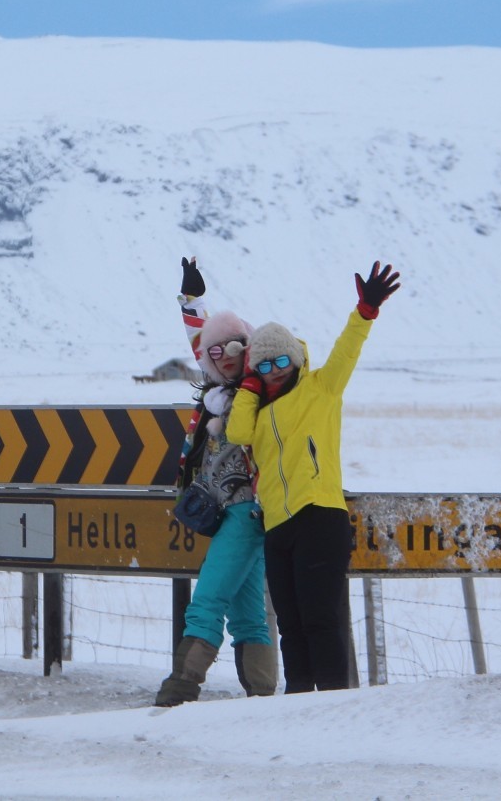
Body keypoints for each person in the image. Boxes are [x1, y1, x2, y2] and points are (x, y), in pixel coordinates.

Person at [227, 260, 401, 692]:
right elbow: (237, 432)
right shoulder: (259, 413)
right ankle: (299, 704)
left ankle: (334, 707)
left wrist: (364, 312)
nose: (276, 371)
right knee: (291, 627)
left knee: (322, 620)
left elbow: (347, 349)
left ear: (298, 358)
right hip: (278, 526)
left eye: (282, 361)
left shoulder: (322, 388)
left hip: (320, 517)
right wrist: (248, 389)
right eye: (264, 366)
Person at [155, 256, 278, 705]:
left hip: (246, 512)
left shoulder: (258, 385)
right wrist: (192, 299)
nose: (224, 357)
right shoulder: (215, 384)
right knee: (249, 614)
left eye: (234, 348)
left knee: (207, 600)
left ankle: (181, 686)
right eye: (215, 353)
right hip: (229, 513)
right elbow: (200, 338)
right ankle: (263, 696)